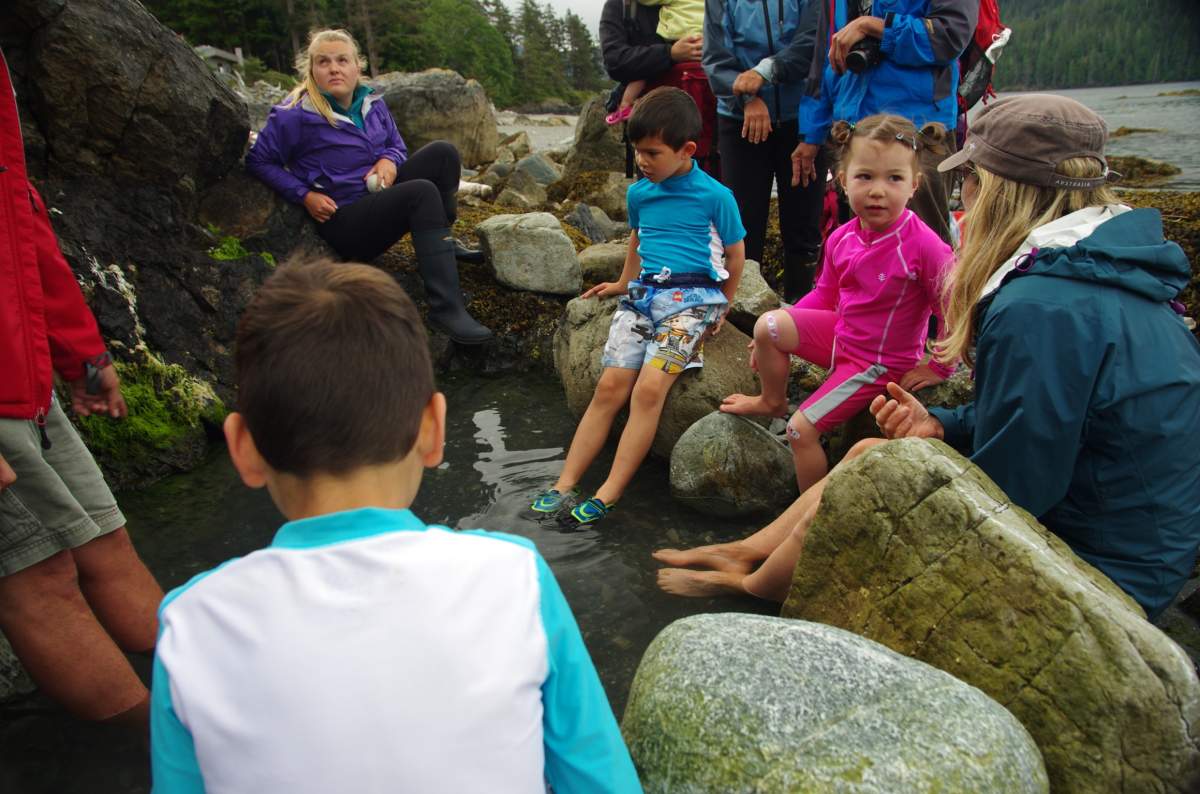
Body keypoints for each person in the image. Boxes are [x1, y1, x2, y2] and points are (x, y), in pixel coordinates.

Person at [657, 95, 1200, 622]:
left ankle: (754, 588)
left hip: (1106, 571)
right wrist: (941, 421)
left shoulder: (1042, 307)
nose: (960, 195)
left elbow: (1021, 485)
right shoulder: (1092, 267)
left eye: (967, 180)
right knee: (874, 448)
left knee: (882, 470)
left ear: (996, 190)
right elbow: (1045, 420)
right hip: (1128, 534)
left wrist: (918, 464)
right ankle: (749, 550)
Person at [149, 261, 641, 793]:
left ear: (243, 450)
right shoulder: (515, 578)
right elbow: (600, 779)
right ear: (434, 430)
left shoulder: (190, 624)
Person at [0, 48, 164, 730]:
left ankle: (212, 704)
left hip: (24, 373)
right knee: (38, 577)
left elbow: (18, 211)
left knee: (105, 542)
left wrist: (80, 351)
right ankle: (154, 754)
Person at [529, 87, 745, 526]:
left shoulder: (715, 196)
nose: (643, 161)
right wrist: (624, 283)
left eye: (652, 152)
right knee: (609, 389)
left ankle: (609, 491)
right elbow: (637, 240)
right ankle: (564, 483)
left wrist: (724, 305)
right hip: (644, 298)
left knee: (649, 390)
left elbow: (736, 254)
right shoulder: (640, 194)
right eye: (637, 151)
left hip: (693, 302)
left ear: (687, 150)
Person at [721, 114, 955, 494]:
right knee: (769, 325)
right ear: (843, 181)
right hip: (841, 337)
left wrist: (941, 366)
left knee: (800, 430)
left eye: (893, 178)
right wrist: (772, 334)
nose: (878, 190)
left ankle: (810, 513)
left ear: (915, 185)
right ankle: (771, 400)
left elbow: (952, 307)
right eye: (865, 177)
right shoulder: (842, 238)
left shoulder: (925, 246)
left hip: (878, 361)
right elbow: (826, 297)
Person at [245, 29, 492, 344]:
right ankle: (446, 309)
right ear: (311, 70)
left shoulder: (372, 101)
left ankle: (443, 241)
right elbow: (259, 161)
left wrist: (389, 160)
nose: (334, 68)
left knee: (443, 153)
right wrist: (304, 195)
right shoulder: (294, 115)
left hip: (378, 198)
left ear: (356, 67)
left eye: (342, 60)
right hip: (345, 223)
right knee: (421, 192)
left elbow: (397, 146)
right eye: (323, 62)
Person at [790, 0, 979, 246]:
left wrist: (875, 27)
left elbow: (950, 36)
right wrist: (811, 135)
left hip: (920, 131)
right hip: (854, 130)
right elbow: (824, 59)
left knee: (925, 247)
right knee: (858, 247)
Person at [703, 0, 826, 302]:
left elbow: (813, 42)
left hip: (804, 116)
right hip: (740, 118)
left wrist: (765, 72)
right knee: (743, 224)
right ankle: (743, 306)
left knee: (804, 223)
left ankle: (800, 308)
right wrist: (746, 99)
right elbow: (715, 58)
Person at [605, 0, 704, 124]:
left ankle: (625, 106)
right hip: (653, 120)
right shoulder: (620, 6)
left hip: (664, 109)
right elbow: (615, 61)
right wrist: (670, 53)